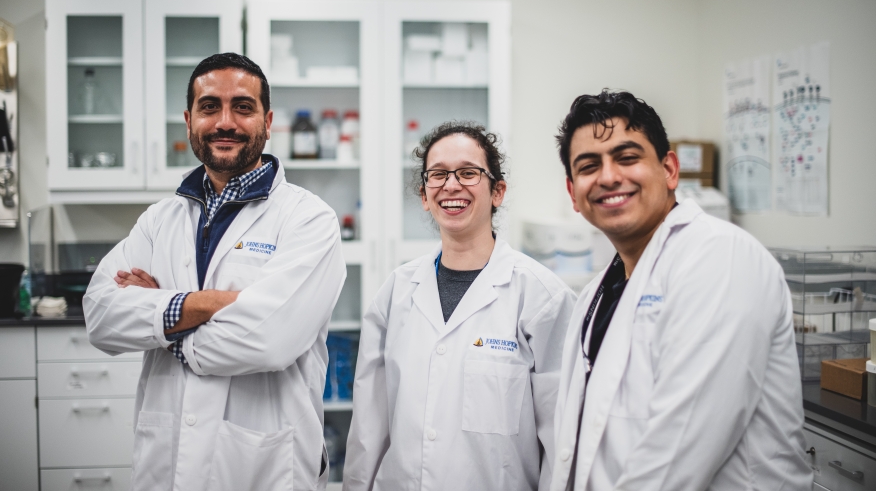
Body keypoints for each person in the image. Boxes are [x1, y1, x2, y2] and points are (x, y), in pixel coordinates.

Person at [83, 53, 346, 491]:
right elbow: (101, 315)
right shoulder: (158, 220)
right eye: (210, 107)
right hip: (166, 459)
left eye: (243, 107)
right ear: (189, 120)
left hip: (262, 465)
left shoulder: (308, 220)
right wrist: (210, 304)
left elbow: (267, 340)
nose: (226, 121)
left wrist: (158, 321)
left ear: (268, 120)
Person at [549, 90, 812, 490]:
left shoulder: (720, 258)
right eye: (588, 166)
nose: (607, 177)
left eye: (627, 157)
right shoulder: (596, 295)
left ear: (670, 169)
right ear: (573, 193)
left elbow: (677, 454)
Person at [343, 122, 577, 491]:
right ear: (424, 195)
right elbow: (369, 427)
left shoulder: (541, 297)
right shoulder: (397, 291)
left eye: (468, 173)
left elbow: (562, 438)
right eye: (437, 175)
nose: (451, 185)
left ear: (497, 191)